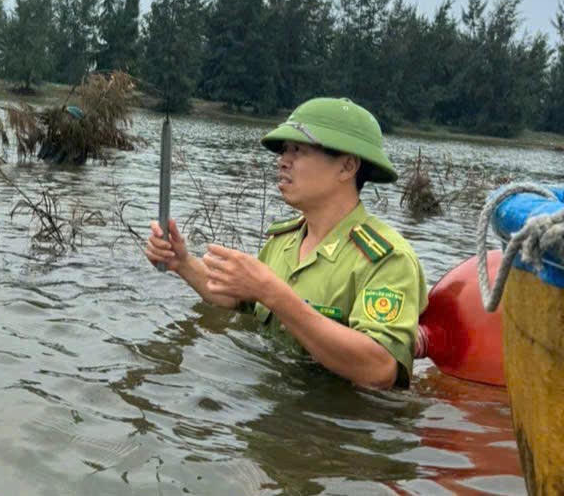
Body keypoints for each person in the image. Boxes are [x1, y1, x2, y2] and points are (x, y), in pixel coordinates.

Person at [145, 97, 428, 389]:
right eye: (283, 151)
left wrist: (274, 293)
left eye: (298, 150)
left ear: (347, 167)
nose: (283, 161)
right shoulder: (285, 240)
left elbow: (379, 368)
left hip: (333, 426)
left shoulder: (387, 258)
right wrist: (183, 263)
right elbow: (240, 301)